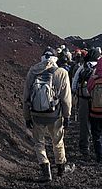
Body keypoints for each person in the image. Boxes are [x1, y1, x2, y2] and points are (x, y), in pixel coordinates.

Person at [23, 49, 75, 181]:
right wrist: (67, 115)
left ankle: (45, 169)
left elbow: (26, 97)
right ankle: (61, 168)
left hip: (36, 113)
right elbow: (66, 98)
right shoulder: (61, 72)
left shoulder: (33, 71)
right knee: (57, 141)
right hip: (54, 113)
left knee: (39, 142)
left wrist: (27, 117)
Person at [72, 46, 100, 159]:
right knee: (98, 124)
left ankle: (84, 148)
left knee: (84, 125)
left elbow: (74, 85)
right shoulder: (100, 68)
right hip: (98, 100)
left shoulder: (82, 67)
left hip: (83, 99)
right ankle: (99, 148)